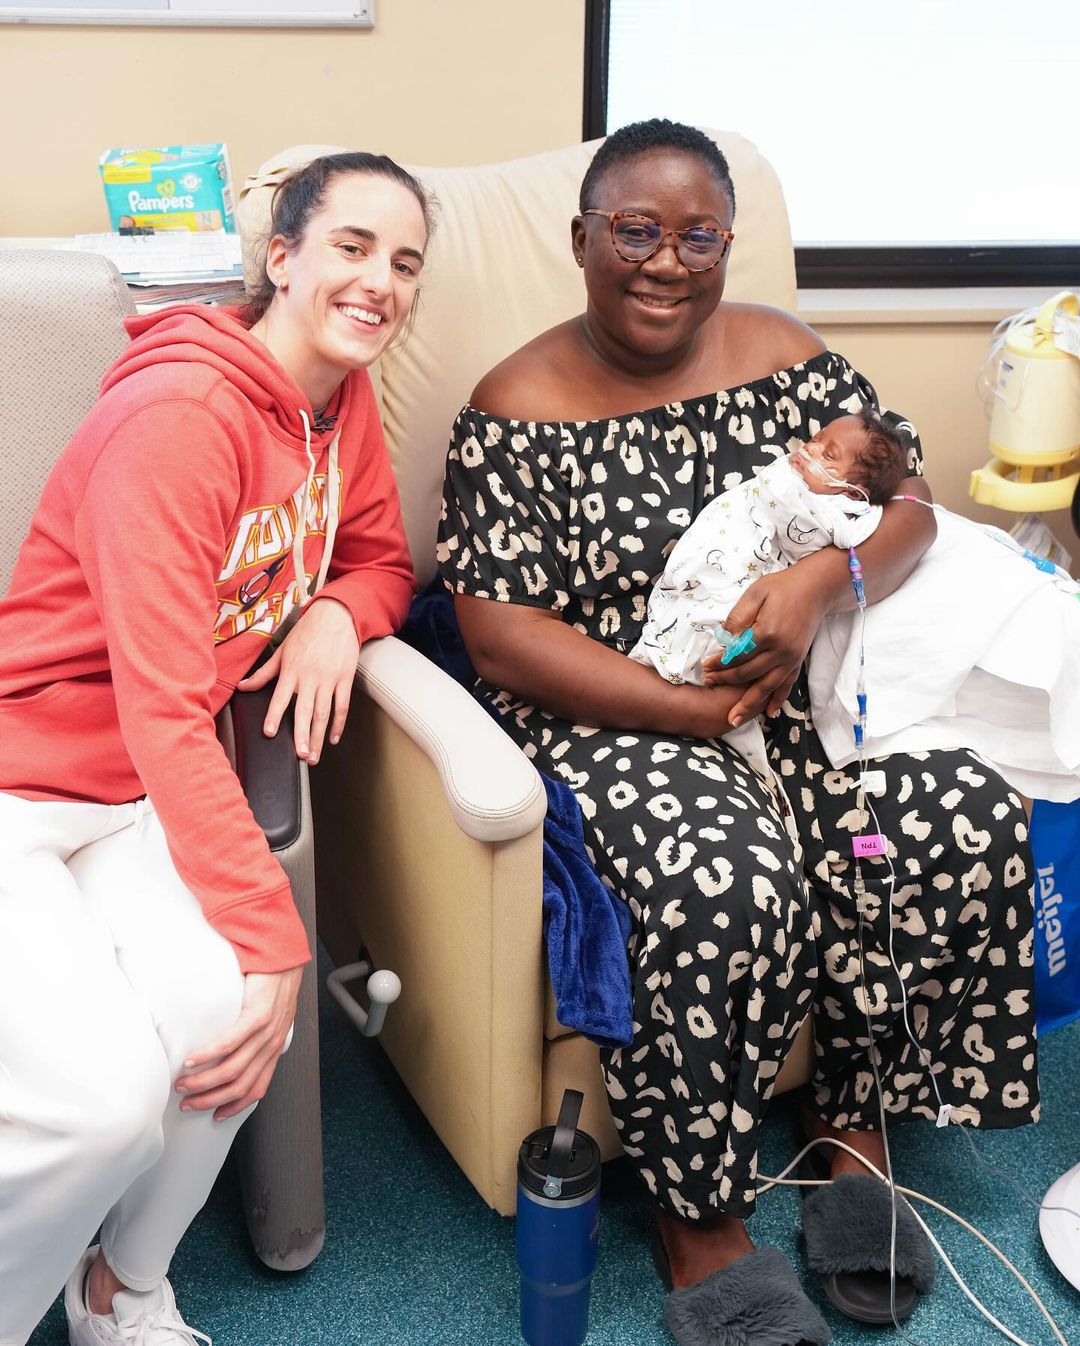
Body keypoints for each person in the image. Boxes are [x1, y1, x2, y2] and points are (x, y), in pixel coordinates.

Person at [438, 119, 1037, 1344]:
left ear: (728, 242)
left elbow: (908, 500)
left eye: (695, 235)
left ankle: (847, 1118)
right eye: (635, 233)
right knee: (727, 878)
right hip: (617, 708)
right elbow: (500, 636)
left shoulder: (787, 353)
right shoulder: (512, 404)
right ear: (583, 241)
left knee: (955, 808)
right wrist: (691, 709)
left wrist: (827, 580)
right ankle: (697, 1209)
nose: (666, 262)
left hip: (797, 691)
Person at [0, 151, 430, 1346]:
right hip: (23, 779)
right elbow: (156, 701)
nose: (380, 283)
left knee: (227, 1027)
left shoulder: (339, 401)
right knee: (101, 1110)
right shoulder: (181, 415)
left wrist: (340, 614)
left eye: (404, 262)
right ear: (280, 257)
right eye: (351, 246)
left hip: (135, 787)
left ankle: (119, 1288)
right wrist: (275, 931)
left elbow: (382, 557)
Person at [628, 409, 906, 778]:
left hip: (742, 599)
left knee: (724, 627)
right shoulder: (797, 480)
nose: (810, 449)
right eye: (817, 438)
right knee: (693, 606)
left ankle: (707, 668)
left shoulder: (829, 510)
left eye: (829, 455)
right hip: (714, 568)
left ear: (853, 492)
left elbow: (804, 523)